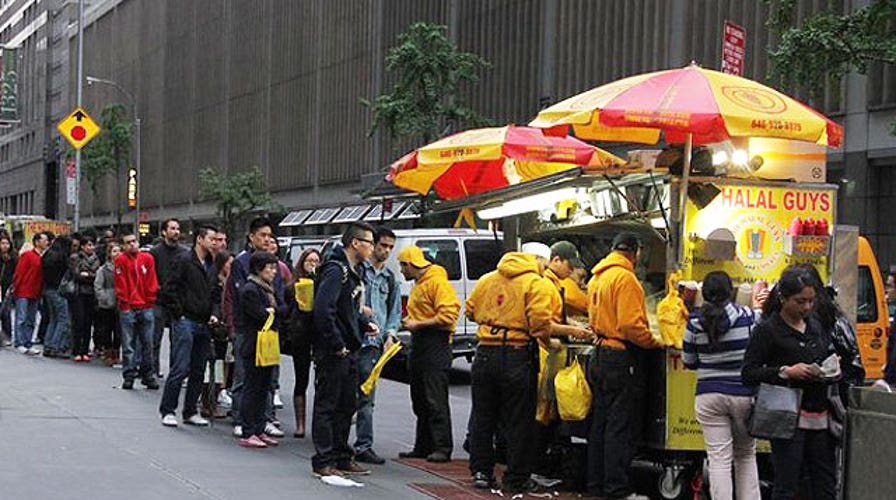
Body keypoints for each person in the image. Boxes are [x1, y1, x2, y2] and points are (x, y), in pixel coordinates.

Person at [464, 243, 555, 493]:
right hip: (516, 355)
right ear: (537, 260)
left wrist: (494, 319)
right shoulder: (535, 283)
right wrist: (547, 341)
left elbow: (470, 309)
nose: (545, 270)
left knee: (484, 417)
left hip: (484, 353)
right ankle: (516, 478)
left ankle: (482, 472)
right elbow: (540, 323)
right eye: (545, 265)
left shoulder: (487, 279)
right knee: (519, 420)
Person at [742, 266, 838, 500]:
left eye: (810, 301)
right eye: (800, 301)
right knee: (787, 484)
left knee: (825, 483)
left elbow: (827, 353)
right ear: (783, 298)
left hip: (820, 418)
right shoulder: (768, 330)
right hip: (786, 417)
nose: (806, 307)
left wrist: (832, 368)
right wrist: (785, 372)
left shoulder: (815, 325)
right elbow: (749, 373)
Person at [586, 232, 660, 500]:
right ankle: (616, 489)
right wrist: (652, 341)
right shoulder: (625, 278)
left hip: (600, 353)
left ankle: (596, 484)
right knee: (619, 426)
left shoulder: (598, 276)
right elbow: (630, 325)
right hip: (620, 357)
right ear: (635, 251)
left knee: (601, 425)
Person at [682, 271, 760, 500]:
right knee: (745, 455)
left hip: (709, 396)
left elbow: (689, 361)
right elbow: (755, 353)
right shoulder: (747, 316)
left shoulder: (694, 322)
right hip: (744, 393)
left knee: (718, 457)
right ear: (731, 292)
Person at [311, 222, 379, 478]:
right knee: (327, 405)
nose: (372, 248)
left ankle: (342, 456)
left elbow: (346, 309)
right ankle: (323, 460)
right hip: (334, 351)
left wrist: (363, 323)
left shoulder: (354, 271)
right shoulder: (335, 270)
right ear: (355, 243)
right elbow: (324, 310)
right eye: (370, 242)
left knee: (346, 405)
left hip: (351, 348)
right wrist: (337, 343)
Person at [396, 245, 460, 464]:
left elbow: (449, 316)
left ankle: (442, 447)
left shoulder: (437, 283)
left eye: (402, 266)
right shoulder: (418, 284)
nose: (401, 271)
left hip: (436, 343)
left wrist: (418, 323)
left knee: (435, 398)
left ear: (410, 264)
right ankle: (423, 445)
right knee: (420, 398)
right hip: (420, 343)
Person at [157, 225, 221, 428]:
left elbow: (215, 294)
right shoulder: (184, 260)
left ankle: (190, 410)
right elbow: (169, 288)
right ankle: (168, 409)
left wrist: (214, 314)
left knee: (198, 369)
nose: (214, 242)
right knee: (181, 366)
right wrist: (179, 313)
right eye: (211, 238)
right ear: (200, 239)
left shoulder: (211, 264)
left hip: (204, 321)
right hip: (186, 319)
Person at [227, 217, 284, 439]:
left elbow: (279, 301)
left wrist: (276, 310)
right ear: (251, 237)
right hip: (249, 333)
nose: (267, 239)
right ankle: (243, 422)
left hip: (269, 335)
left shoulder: (275, 267)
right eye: (262, 235)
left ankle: (263, 422)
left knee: (266, 381)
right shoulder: (242, 264)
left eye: (269, 236)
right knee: (246, 379)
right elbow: (250, 305)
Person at [352, 227, 401, 464]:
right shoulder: (359, 271)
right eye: (382, 245)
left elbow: (395, 312)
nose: (386, 251)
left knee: (367, 397)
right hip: (354, 340)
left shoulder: (390, 278)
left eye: (390, 247)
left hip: (374, 344)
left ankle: (363, 444)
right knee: (347, 393)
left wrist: (390, 335)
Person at [236, 251, 286, 448]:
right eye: (270, 267)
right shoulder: (250, 289)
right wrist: (272, 313)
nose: (274, 272)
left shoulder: (269, 289)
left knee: (264, 387)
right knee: (252, 387)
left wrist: (273, 312)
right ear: (259, 268)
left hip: (268, 343)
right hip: (254, 343)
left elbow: (283, 309)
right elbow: (259, 315)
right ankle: (248, 430)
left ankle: (259, 427)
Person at [115, 231, 161, 390]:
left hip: (145, 306)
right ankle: (129, 375)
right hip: (129, 307)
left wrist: (150, 300)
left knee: (148, 343)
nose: (132, 244)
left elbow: (152, 280)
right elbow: (120, 283)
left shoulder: (147, 259)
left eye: (134, 241)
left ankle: (147, 374)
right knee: (129, 345)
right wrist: (125, 303)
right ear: (123, 246)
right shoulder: (120, 260)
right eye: (128, 242)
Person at [283, 248, 320, 438]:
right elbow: (288, 311)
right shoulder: (292, 286)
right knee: (301, 379)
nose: (313, 264)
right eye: (309, 261)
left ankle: (318, 423)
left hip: (319, 335)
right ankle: (300, 424)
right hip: (301, 335)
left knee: (321, 381)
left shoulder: (322, 283)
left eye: (316, 261)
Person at [150, 219, 189, 378]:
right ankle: (152, 370)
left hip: (177, 301)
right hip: (159, 300)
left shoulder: (185, 253)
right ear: (164, 232)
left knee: (177, 339)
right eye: (172, 228)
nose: (176, 232)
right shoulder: (155, 252)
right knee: (155, 338)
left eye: (178, 229)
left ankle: (175, 371)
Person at [13, 232, 49, 354]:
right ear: (37, 242)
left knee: (31, 319)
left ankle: (28, 342)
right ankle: (19, 342)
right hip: (23, 290)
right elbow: (19, 272)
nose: (46, 242)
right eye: (44, 240)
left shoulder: (44, 257)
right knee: (21, 318)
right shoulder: (27, 255)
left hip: (35, 291)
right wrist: (16, 287)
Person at [41, 235, 72, 358]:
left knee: (53, 319)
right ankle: (56, 346)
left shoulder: (47, 255)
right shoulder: (61, 257)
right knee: (62, 319)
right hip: (59, 290)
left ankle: (48, 345)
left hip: (48, 290)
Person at [71, 235, 101, 362]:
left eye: (92, 245)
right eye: (88, 245)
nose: (91, 247)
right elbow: (76, 275)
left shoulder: (96, 259)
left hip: (91, 294)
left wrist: (87, 275)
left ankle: (85, 350)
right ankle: (77, 350)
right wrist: (89, 276)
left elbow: (97, 275)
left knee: (88, 322)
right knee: (79, 322)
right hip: (79, 293)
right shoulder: (75, 258)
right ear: (82, 246)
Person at [94, 241, 122, 366]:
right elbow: (98, 286)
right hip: (107, 304)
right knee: (107, 328)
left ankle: (116, 352)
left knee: (119, 330)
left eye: (119, 250)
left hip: (121, 303)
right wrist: (104, 298)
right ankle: (108, 352)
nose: (117, 253)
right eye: (114, 251)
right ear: (109, 254)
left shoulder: (124, 267)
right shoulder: (103, 270)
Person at [0, 234, 17, 344]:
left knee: (5, 312)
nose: (5, 246)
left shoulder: (14, 258)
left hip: (7, 287)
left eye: (7, 243)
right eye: (2, 243)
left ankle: (7, 335)